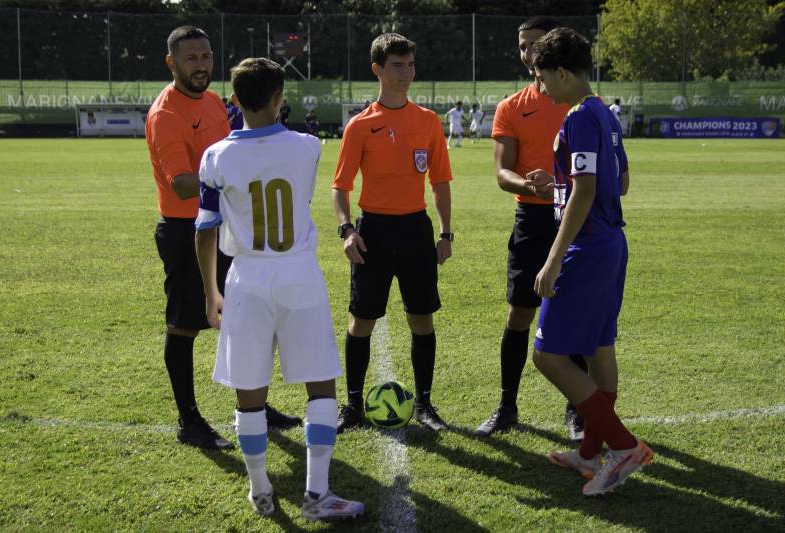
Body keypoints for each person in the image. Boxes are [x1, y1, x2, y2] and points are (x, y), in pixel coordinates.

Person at [194, 57, 365, 520]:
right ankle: (317, 493)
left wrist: (211, 292)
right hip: (298, 274)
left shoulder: (215, 156)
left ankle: (261, 489)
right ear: (279, 98)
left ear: (234, 100)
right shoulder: (307, 146)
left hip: (246, 277)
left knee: (249, 389)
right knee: (321, 387)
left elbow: (205, 230)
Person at [145, 26, 299, 451]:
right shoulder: (166, 114)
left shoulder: (214, 101)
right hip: (185, 232)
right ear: (172, 63)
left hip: (228, 224)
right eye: (192, 58)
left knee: (246, 318)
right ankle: (189, 421)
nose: (202, 65)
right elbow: (179, 184)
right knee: (184, 326)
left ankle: (255, 408)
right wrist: (233, 176)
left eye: (207, 56)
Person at [530, 27, 652, 495]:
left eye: (543, 78)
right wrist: (557, 184)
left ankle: (622, 447)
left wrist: (554, 259)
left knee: (547, 355)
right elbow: (618, 181)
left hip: (587, 246)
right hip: (611, 243)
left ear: (562, 73)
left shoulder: (580, 116)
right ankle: (588, 452)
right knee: (600, 346)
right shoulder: (604, 111)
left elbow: (586, 190)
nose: (540, 87)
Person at [332, 33, 453, 433]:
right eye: (398, 65)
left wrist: (445, 232)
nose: (406, 73)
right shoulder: (361, 126)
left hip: (416, 229)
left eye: (410, 65)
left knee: (422, 319)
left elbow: (439, 182)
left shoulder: (428, 122)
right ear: (378, 70)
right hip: (374, 231)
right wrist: (347, 230)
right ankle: (351, 406)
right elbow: (341, 186)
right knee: (361, 320)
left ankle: (424, 404)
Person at [475, 16, 588, 439]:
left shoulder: (577, 102)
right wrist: (531, 185)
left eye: (535, 44)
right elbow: (503, 173)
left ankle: (578, 410)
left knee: (574, 312)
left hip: (576, 216)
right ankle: (506, 406)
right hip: (533, 218)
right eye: (522, 45)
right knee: (520, 312)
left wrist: (563, 190)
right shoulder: (511, 106)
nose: (527, 53)